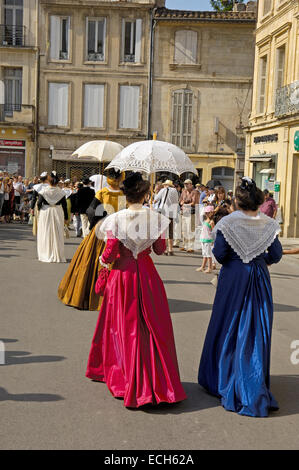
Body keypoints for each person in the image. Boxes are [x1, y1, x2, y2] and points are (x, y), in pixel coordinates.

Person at [86, 172, 186, 408]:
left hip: (122, 276)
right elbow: (160, 250)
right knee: (151, 327)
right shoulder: (157, 219)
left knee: (125, 326)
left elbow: (110, 253)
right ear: (145, 193)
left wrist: (102, 261)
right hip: (147, 274)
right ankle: (156, 379)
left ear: (125, 194)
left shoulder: (116, 219)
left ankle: (126, 376)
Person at [198, 177, 282, 417]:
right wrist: (258, 261)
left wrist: (237, 263)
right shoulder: (267, 223)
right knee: (255, 327)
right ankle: (252, 379)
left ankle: (221, 376)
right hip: (258, 277)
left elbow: (220, 253)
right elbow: (275, 254)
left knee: (228, 324)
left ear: (237, 200)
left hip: (234, 277)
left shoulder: (228, 222)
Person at [57, 169, 126, 311]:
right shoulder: (124, 195)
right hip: (119, 231)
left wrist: (99, 220)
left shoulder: (102, 193)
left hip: (101, 230)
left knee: (92, 260)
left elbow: (91, 211)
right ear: (121, 178)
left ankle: (92, 291)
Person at [36, 171, 68, 263]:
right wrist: (66, 217)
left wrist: (39, 209)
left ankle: (46, 253)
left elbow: (39, 203)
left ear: (48, 181)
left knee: (46, 231)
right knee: (57, 233)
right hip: (58, 211)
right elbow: (64, 206)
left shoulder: (43, 191)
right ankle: (57, 253)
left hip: (46, 212)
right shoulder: (61, 192)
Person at [154, 179, 179, 256]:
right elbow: (176, 201)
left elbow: (156, 200)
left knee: (163, 231)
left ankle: (164, 249)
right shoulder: (175, 191)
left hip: (163, 211)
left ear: (166, 185)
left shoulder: (163, 190)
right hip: (171, 212)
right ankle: (170, 249)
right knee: (170, 231)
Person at [179, 179, 199, 253]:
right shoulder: (184, 191)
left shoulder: (194, 192)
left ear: (191, 184)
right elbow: (180, 201)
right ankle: (185, 245)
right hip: (184, 212)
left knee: (190, 229)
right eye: (185, 184)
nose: (186, 185)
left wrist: (185, 203)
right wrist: (183, 203)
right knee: (184, 229)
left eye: (187, 184)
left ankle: (191, 246)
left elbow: (194, 203)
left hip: (191, 212)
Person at [196, 206, 216, 273]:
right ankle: (203, 267)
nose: (207, 214)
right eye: (206, 213)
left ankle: (209, 268)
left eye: (208, 213)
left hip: (208, 240)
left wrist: (213, 240)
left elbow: (214, 232)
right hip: (203, 239)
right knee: (204, 254)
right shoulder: (205, 221)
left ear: (211, 213)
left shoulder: (211, 222)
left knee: (208, 255)